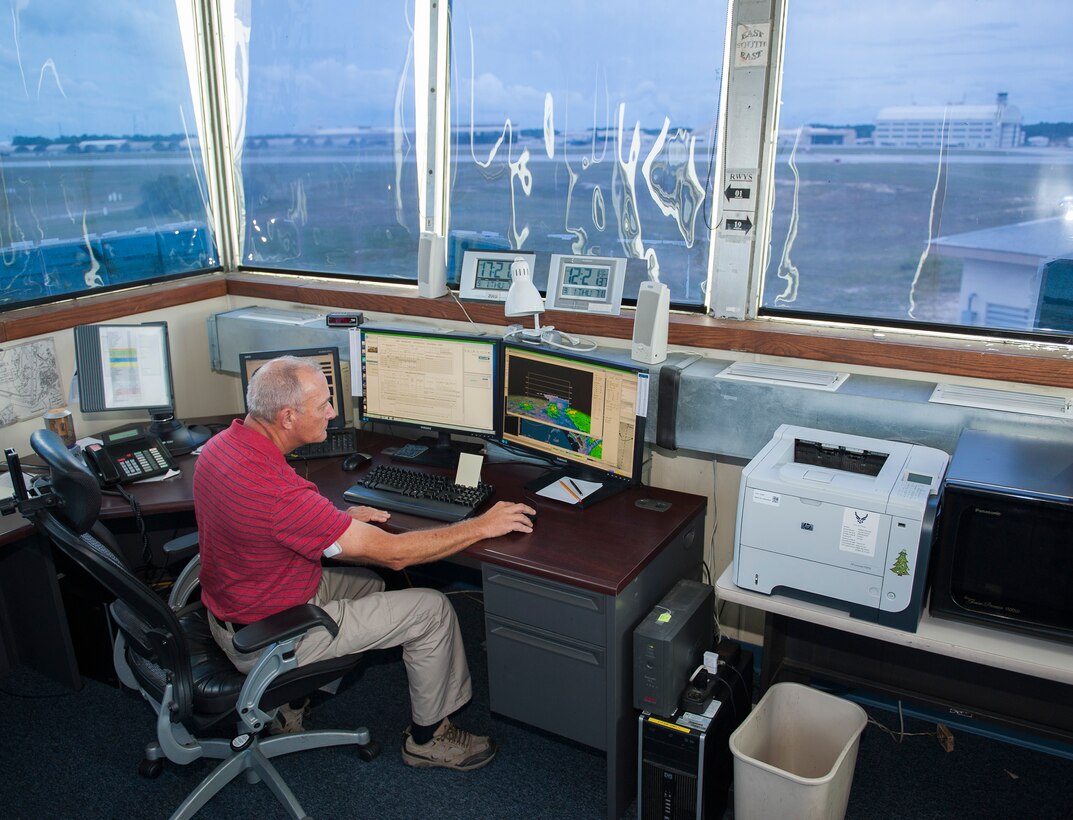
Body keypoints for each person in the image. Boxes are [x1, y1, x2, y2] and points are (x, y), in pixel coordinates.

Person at [193, 355, 535, 772]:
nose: (333, 413)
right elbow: (395, 555)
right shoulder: (279, 494)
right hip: (268, 636)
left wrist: (331, 523)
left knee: (368, 584)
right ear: (286, 416)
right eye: (322, 406)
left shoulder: (220, 446)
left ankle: (292, 701)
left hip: (234, 607)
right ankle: (428, 740)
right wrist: (482, 525)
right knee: (432, 609)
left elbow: (265, 523)